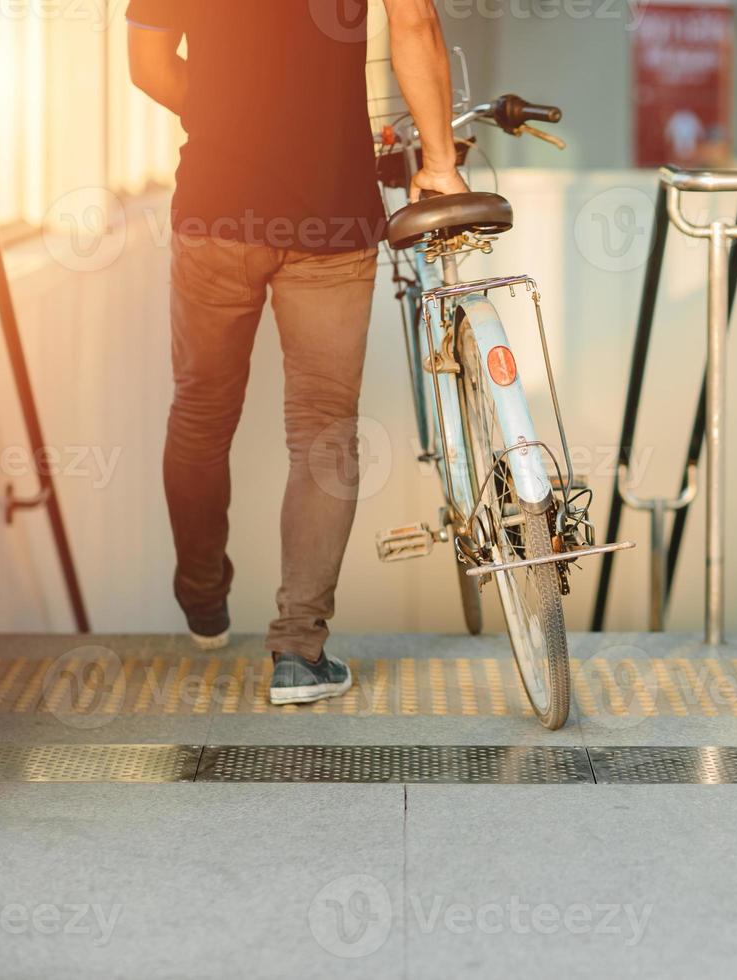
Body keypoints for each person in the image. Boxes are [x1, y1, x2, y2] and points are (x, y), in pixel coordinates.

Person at [127, 0, 468, 705]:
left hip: (218, 208)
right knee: (324, 431)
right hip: (331, 211)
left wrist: (232, 117)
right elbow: (415, 22)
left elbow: (149, 66)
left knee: (200, 412)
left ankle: (200, 594)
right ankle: (299, 653)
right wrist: (438, 163)